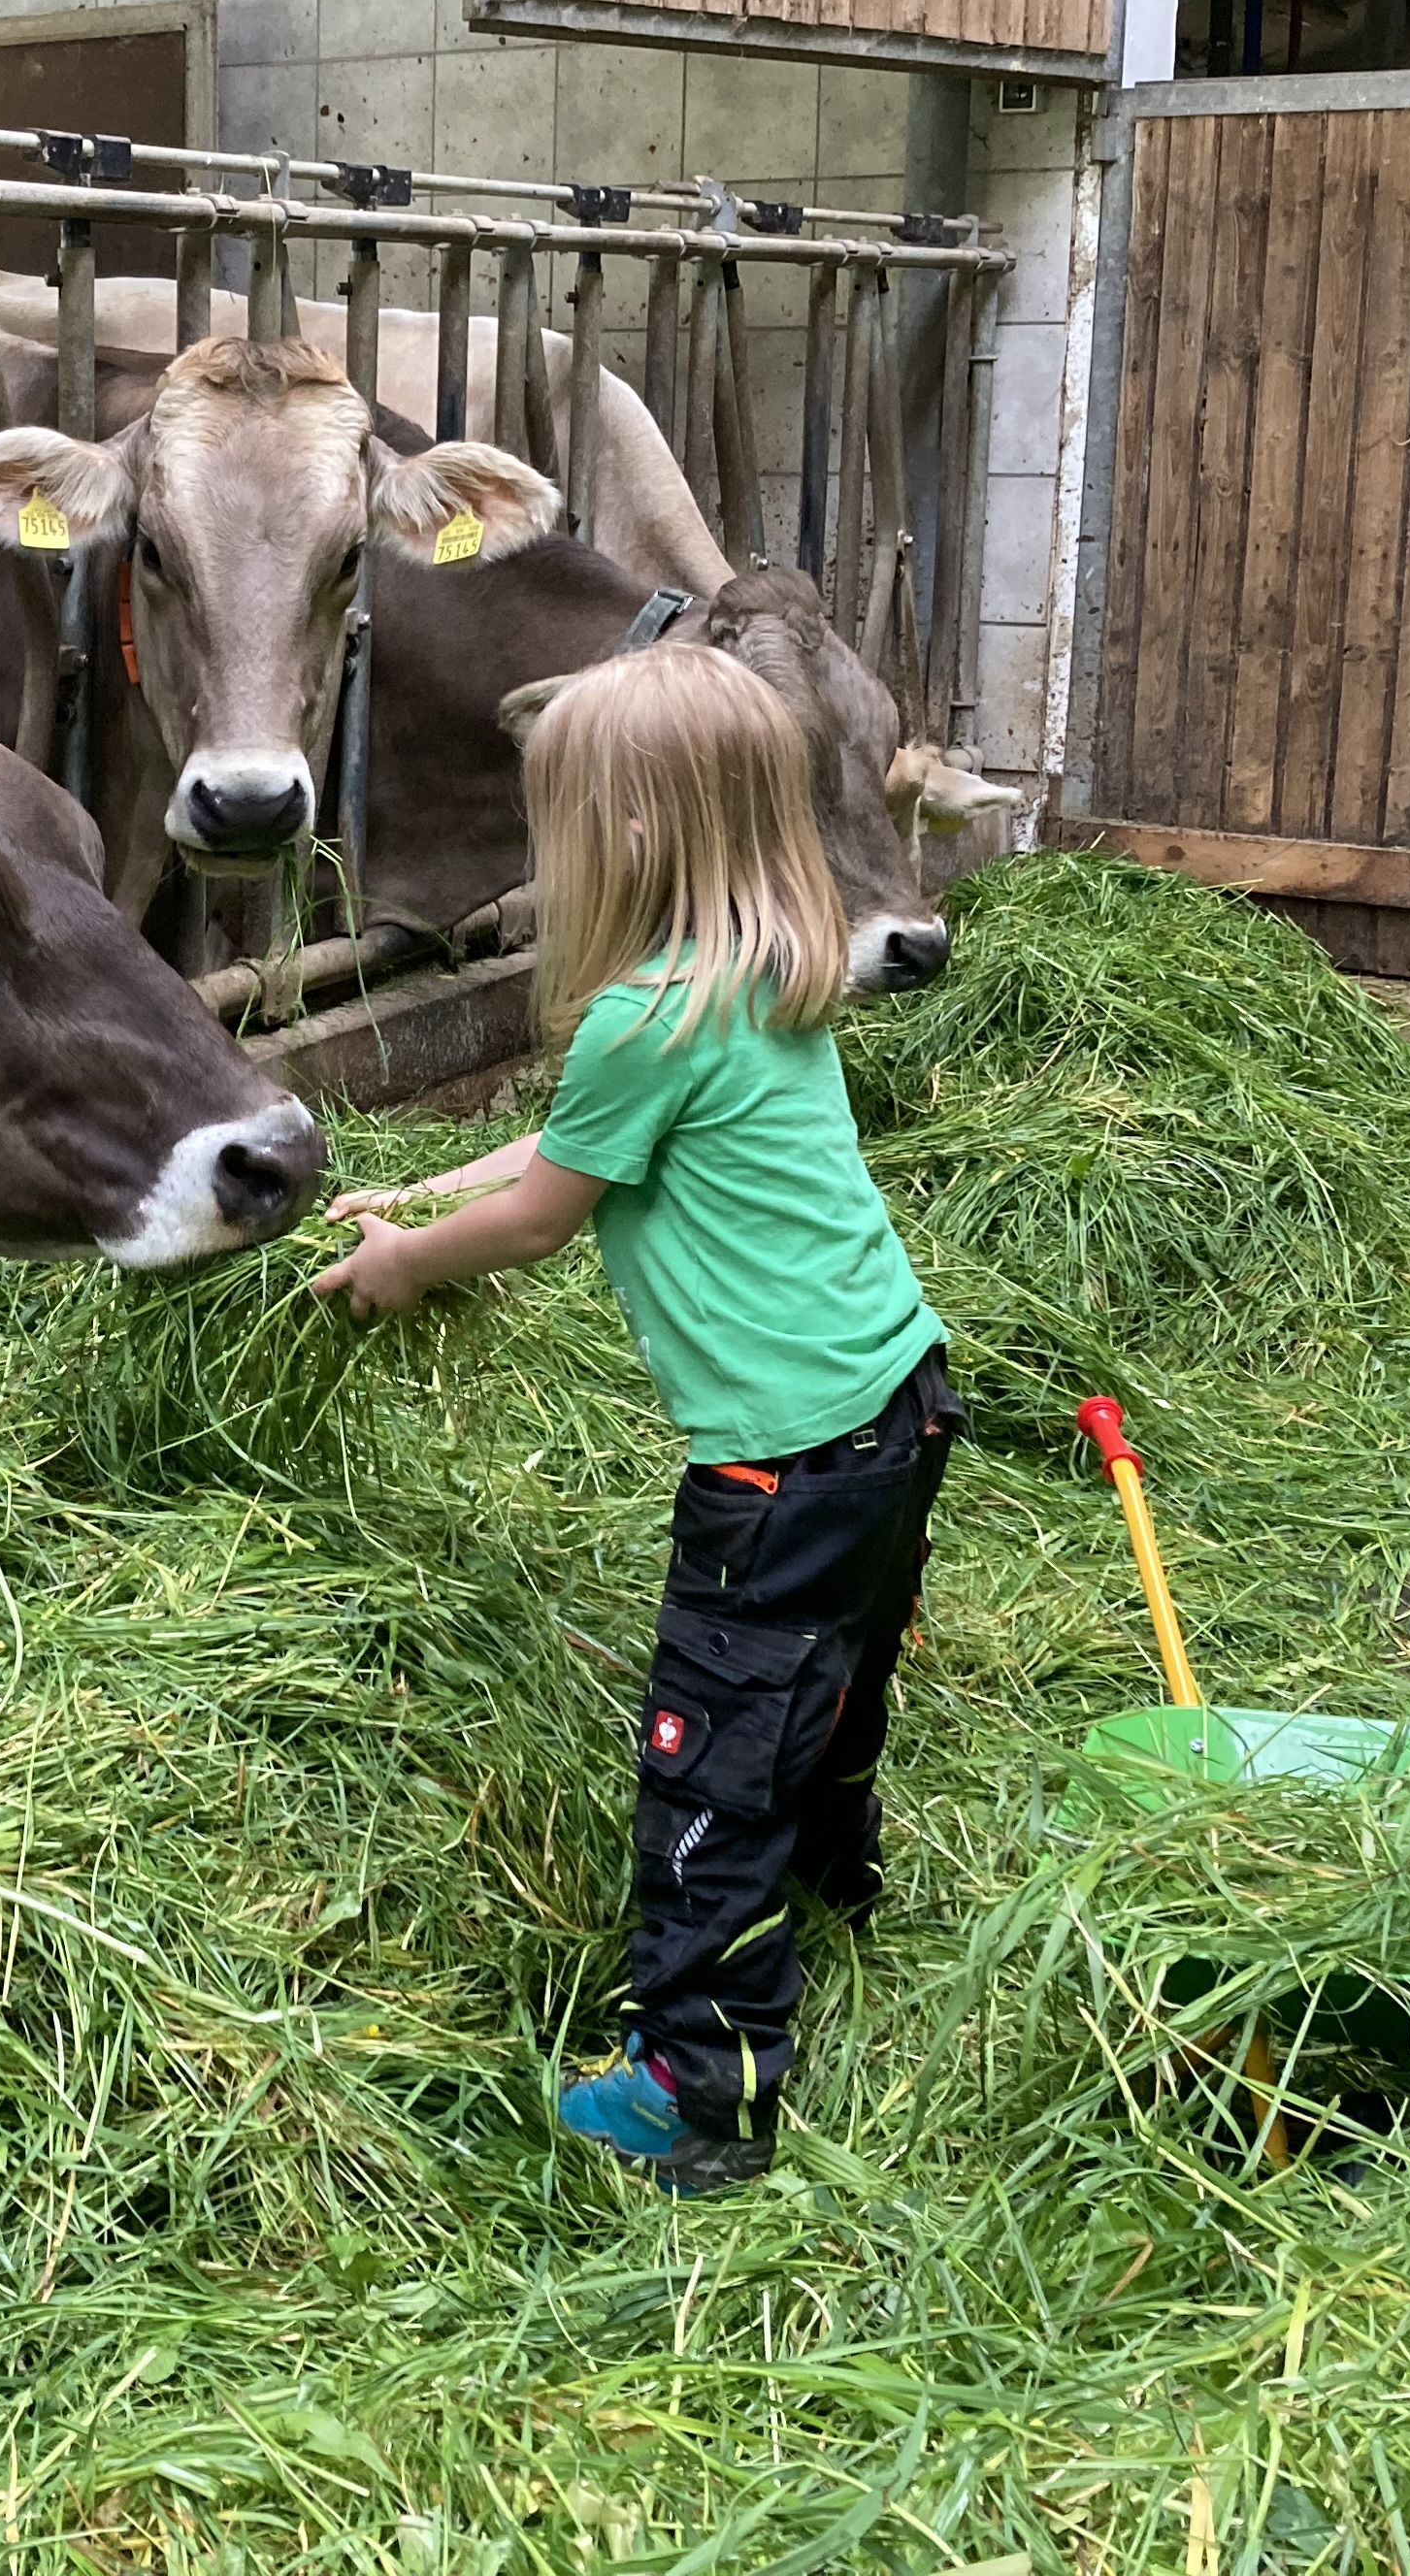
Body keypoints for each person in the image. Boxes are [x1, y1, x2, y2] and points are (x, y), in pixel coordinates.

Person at [309, 640, 959, 2195]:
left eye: (563, 822)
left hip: (778, 1461)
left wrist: (405, 1263)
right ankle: (828, 1888)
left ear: (637, 836)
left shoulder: (639, 1018)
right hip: (897, 1406)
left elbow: (540, 1222)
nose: (552, 855)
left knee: (712, 1754)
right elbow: (570, 1159)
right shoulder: (757, 978)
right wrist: (420, 1185)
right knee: (831, 1689)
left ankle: (697, 2085)